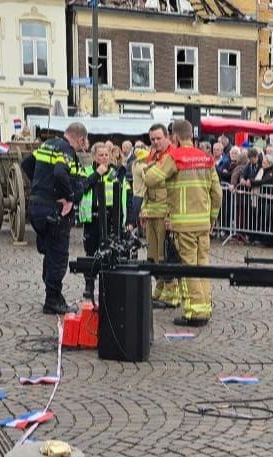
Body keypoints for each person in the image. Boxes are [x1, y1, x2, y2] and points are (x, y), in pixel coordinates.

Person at [144, 119, 222, 327]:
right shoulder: (207, 158)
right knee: (203, 265)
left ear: (175, 137)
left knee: (188, 268)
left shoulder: (174, 157)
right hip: (203, 224)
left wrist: (151, 166)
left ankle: (195, 313)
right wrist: (212, 218)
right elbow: (217, 193)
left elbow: (151, 179)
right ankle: (205, 305)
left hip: (182, 225)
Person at [23, 122, 88, 314]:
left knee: (50, 252)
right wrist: (68, 197)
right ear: (81, 138)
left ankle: (53, 295)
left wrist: (40, 184)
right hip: (53, 209)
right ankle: (52, 300)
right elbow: (60, 172)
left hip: (36, 206)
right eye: (84, 142)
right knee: (59, 256)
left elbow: (27, 164)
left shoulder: (48, 144)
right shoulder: (66, 149)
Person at [135, 123, 180, 309]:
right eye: (152, 139)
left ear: (167, 137)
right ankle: (160, 289)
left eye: (158, 138)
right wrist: (143, 210)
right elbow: (145, 187)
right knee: (153, 255)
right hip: (152, 212)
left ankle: (172, 294)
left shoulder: (172, 155)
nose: (155, 142)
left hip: (165, 213)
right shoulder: (153, 155)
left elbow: (172, 190)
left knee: (165, 254)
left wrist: (171, 216)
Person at [78, 142, 131, 299]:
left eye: (106, 155)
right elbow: (81, 188)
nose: (104, 158)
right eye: (100, 155)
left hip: (111, 217)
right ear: (94, 157)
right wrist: (97, 174)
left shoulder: (116, 172)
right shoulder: (86, 171)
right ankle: (89, 283)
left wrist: (127, 219)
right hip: (93, 218)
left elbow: (126, 193)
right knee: (91, 252)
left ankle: (109, 285)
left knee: (111, 252)